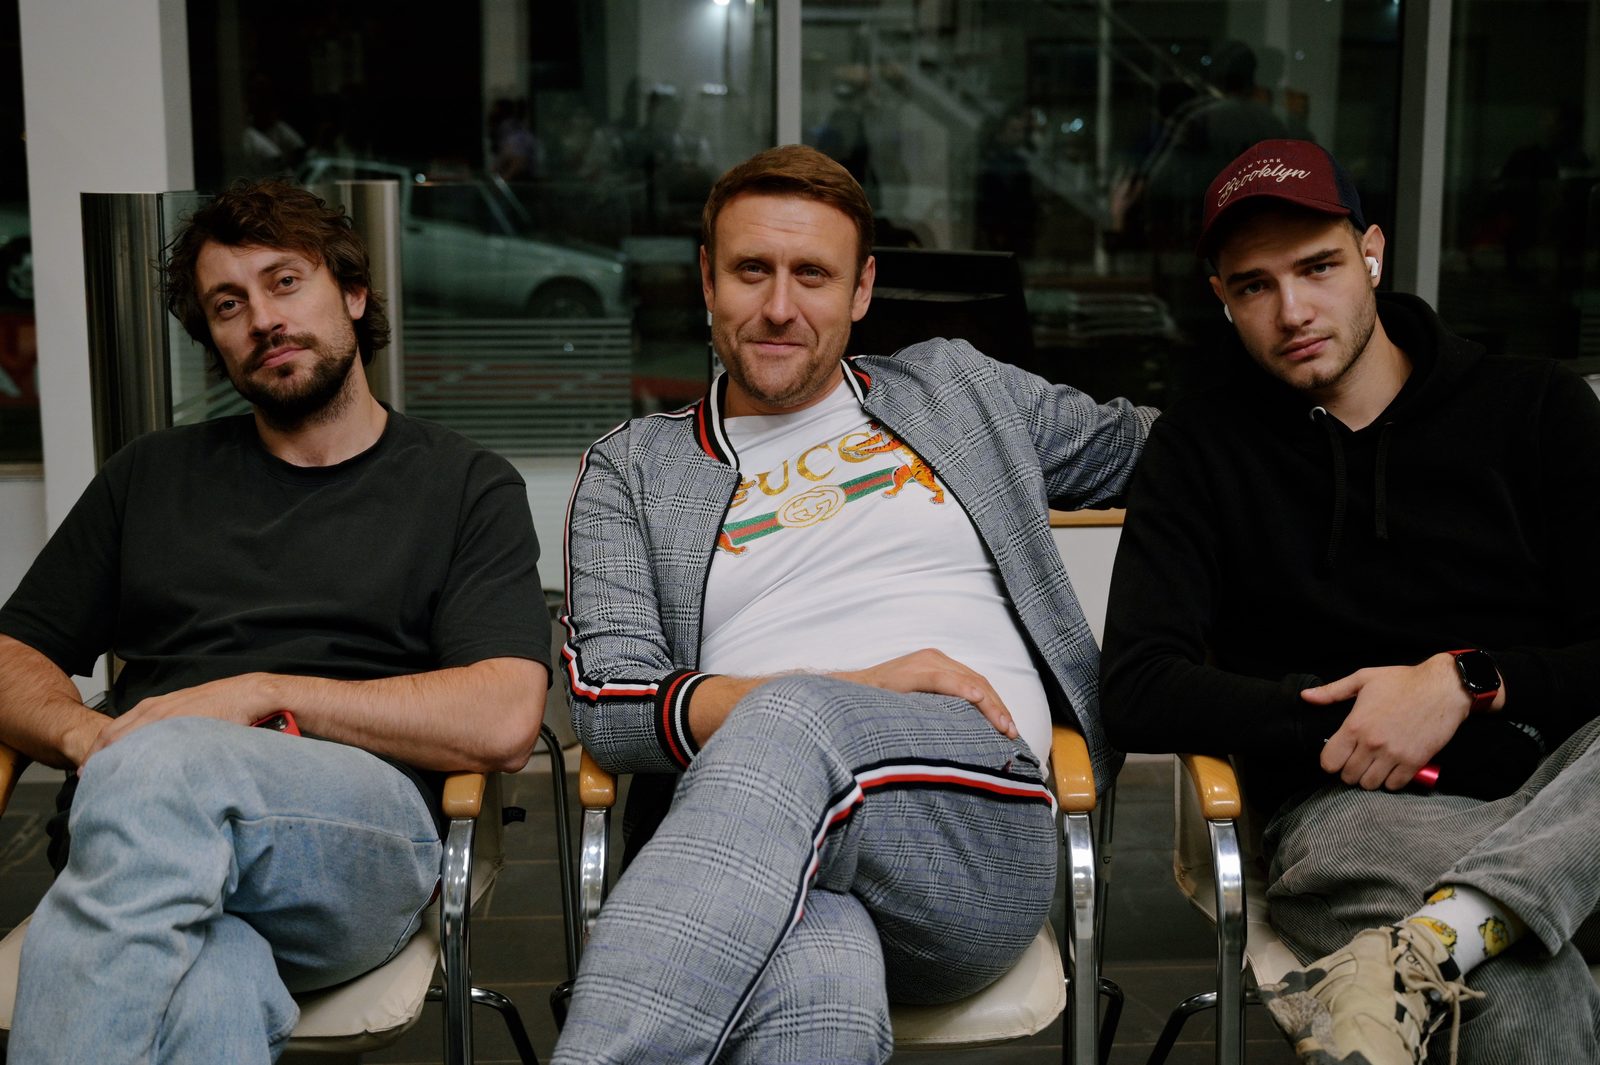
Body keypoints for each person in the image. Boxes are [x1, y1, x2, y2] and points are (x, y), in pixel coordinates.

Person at [554, 144, 1154, 1062]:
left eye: (813, 274)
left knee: (794, 717)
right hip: (762, 842)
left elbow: (1165, 453)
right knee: (819, 987)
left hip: (971, 828)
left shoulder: (959, 391)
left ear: (861, 289)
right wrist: (856, 684)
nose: (779, 306)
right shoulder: (634, 468)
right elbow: (612, 703)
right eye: (751, 270)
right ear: (706, 281)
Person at [0, 180, 550, 1063]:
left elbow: (505, 716)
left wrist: (257, 694)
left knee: (168, 765)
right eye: (229, 304)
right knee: (210, 984)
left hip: (351, 849)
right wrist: (87, 738)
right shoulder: (150, 476)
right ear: (213, 338)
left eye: (285, 281)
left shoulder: (464, 486)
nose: (262, 318)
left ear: (353, 293)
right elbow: (11, 653)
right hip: (142, 855)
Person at [1101, 138, 1600, 1065]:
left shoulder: (1536, 407)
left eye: (1318, 267)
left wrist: (1463, 682)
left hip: (1564, 788)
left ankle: (1434, 941)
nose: (1292, 310)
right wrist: (1347, 719)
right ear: (1221, 298)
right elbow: (1137, 682)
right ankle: (1457, 935)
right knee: (1521, 994)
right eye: (1254, 286)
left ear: (1371, 253)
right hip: (1361, 806)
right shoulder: (1201, 448)